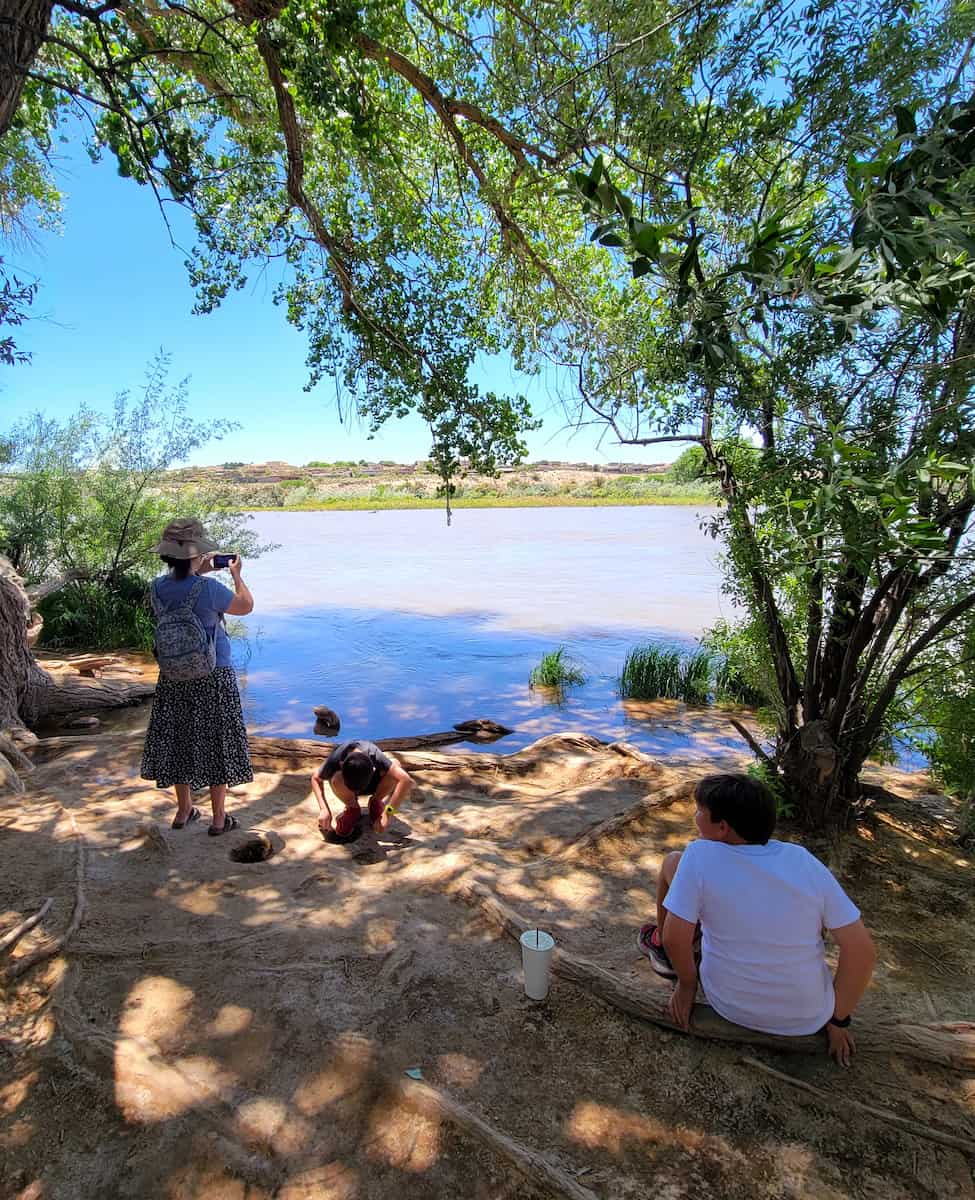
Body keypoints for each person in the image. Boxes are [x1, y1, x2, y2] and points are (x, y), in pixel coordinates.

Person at [638, 773, 876, 1065]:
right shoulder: (802, 860)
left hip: (729, 1004)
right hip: (808, 1016)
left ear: (722, 828)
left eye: (700, 811)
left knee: (671, 862)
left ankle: (659, 945)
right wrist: (838, 1020)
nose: (695, 815)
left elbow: (678, 937)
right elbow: (862, 952)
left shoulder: (699, 854)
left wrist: (687, 985)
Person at [141, 517, 255, 835]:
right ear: (196, 554)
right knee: (216, 741)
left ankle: (183, 810)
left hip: (173, 675)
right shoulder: (209, 588)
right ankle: (219, 819)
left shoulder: (157, 588)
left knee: (180, 740)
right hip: (213, 675)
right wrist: (236, 575)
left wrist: (196, 571)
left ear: (166, 555)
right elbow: (245, 606)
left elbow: (181, 592)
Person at [310, 739, 414, 839]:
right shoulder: (337, 757)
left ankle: (376, 801)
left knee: (395, 765)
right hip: (346, 788)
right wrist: (324, 809)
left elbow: (406, 780)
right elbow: (315, 778)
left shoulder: (374, 755)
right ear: (342, 765)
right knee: (336, 778)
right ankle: (352, 807)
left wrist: (387, 813)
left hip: (370, 784)